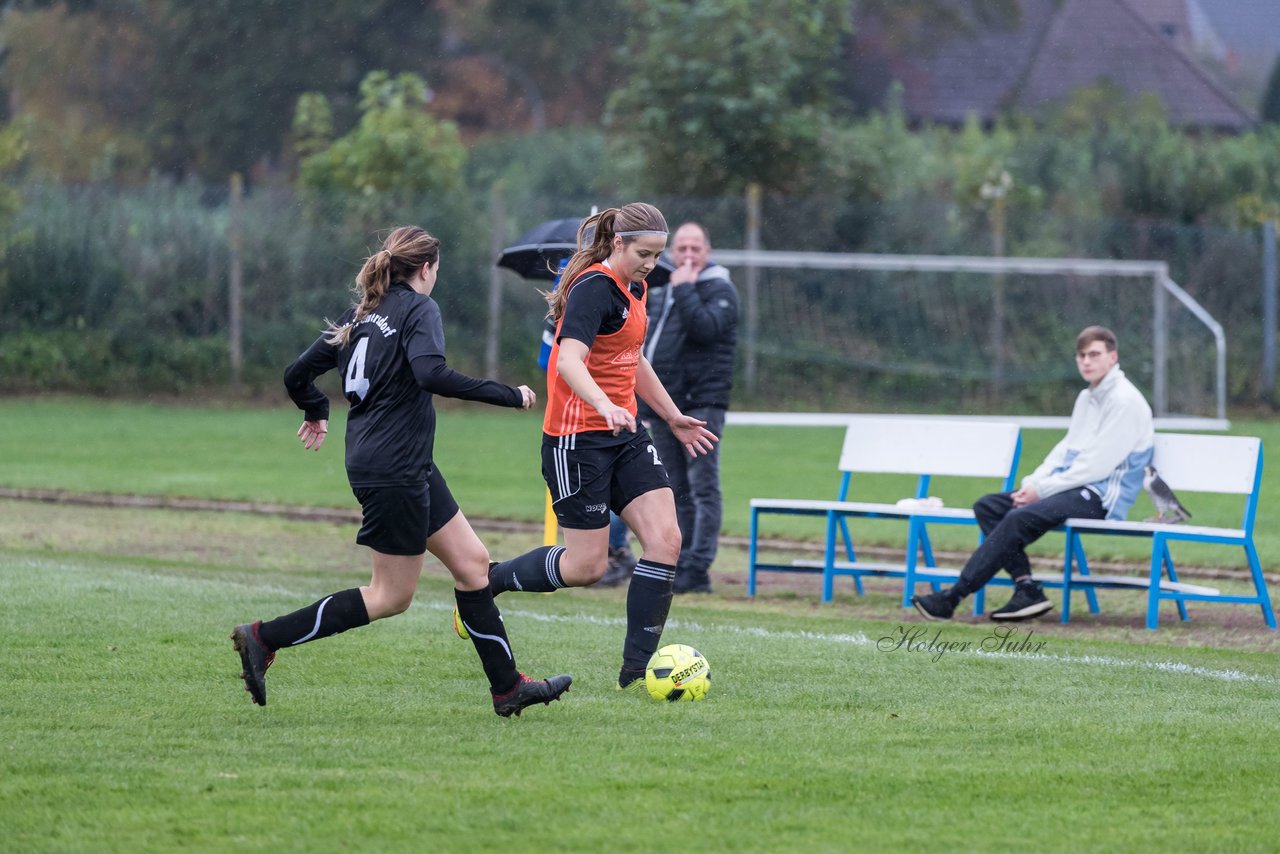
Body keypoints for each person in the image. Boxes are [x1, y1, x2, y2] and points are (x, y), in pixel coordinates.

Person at [230, 226, 571, 717]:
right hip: (394, 468)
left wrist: (314, 409)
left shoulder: (362, 312)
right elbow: (431, 372)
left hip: (395, 462)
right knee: (390, 596)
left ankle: (508, 689)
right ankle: (263, 638)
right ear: (427, 268)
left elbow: (295, 374)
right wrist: (508, 394)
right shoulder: (419, 309)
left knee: (474, 564)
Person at [482, 202, 718, 693]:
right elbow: (569, 362)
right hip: (576, 440)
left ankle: (639, 673)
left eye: (657, 255)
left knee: (665, 540)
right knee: (586, 567)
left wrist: (671, 415)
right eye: (644, 254)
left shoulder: (638, 287)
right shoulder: (593, 288)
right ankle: (490, 582)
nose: (651, 264)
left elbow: (633, 360)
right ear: (618, 244)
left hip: (625, 435)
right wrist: (604, 404)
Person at [911, 325, 1154, 622]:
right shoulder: (1087, 397)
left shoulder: (1124, 401)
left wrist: (1044, 491)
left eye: (1094, 354)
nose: (1086, 361)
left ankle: (952, 597)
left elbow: (1097, 467)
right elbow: (1066, 451)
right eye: (1081, 355)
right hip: (1074, 487)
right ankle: (1027, 589)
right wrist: (1033, 484)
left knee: (1017, 517)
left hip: (1102, 497)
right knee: (989, 506)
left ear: (1112, 357)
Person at [626, 222, 738, 594]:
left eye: (696, 248)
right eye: (682, 249)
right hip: (667, 406)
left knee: (703, 486)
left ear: (708, 251)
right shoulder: (665, 289)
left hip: (702, 404)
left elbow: (706, 329)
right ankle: (680, 559)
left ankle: (698, 565)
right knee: (674, 488)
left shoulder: (719, 288)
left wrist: (687, 289)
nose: (688, 256)